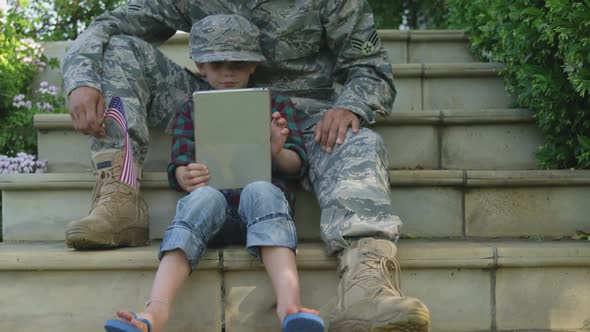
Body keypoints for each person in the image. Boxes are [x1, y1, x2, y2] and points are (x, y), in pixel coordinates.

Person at [62, 0, 431, 330]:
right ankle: (119, 193)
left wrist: (349, 105)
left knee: (362, 143)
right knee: (121, 48)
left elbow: (371, 68)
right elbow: (109, 25)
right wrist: (82, 80)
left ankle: (365, 285)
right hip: (208, 107)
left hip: (306, 116)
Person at [104, 14, 324, 332]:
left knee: (261, 188)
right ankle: (155, 313)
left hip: (263, 212)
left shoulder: (276, 104)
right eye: (217, 63)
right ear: (200, 66)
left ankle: (290, 307)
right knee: (202, 197)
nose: (227, 71)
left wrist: (277, 151)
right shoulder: (190, 110)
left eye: (237, 62)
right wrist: (185, 176)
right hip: (212, 215)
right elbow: (179, 166)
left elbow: (297, 165)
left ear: (253, 66)